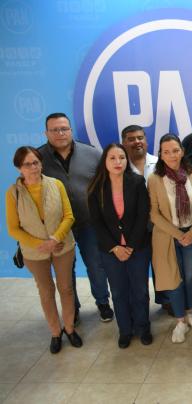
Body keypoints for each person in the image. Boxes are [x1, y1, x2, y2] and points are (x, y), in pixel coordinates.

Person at [5, 146, 83, 353]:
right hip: (34, 253)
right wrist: (40, 244)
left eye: (36, 163)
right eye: (27, 164)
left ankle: (70, 328)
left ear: (41, 164)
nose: (33, 168)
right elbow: (13, 228)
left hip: (62, 246)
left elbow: (69, 216)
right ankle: (55, 332)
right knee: (46, 291)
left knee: (66, 288)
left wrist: (55, 238)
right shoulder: (13, 193)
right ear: (19, 168)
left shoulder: (56, 184)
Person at [38, 112, 113, 323]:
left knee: (96, 266)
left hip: (90, 223)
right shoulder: (38, 158)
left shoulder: (92, 153)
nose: (60, 133)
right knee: (65, 271)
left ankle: (103, 303)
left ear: (71, 130)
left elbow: (105, 186)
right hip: (59, 227)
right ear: (46, 133)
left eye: (64, 129)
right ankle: (73, 308)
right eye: (54, 130)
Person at [88, 144, 152, 348]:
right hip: (110, 251)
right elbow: (96, 222)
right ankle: (125, 330)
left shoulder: (137, 182)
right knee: (118, 292)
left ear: (127, 160)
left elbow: (143, 215)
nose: (118, 162)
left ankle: (143, 328)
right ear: (104, 162)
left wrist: (130, 246)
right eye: (112, 158)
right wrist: (115, 248)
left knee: (140, 291)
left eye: (122, 158)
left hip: (138, 248)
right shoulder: (96, 186)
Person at [148, 134, 192, 344]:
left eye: (175, 150)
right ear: (161, 155)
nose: (172, 155)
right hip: (167, 236)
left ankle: (189, 312)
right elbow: (154, 213)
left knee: (188, 277)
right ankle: (180, 321)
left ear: (182, 151)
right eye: (166, 152)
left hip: (191, 235)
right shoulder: (154, 179)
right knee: (174, 279)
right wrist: (178, 234)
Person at [121, 125, 170, 316]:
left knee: (162, 265)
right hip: (133, 230)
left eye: (140, 138)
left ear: (146, 140)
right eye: (131, 139)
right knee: (138, 271)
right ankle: (140, 308)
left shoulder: (159, 163)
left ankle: (165, 300)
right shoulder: (120, 167)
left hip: (160, 226)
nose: (137, 142)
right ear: (124, 143)